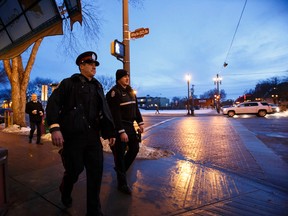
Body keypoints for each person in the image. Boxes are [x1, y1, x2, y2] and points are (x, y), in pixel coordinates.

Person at [46, 51, 116, 216]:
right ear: (81, 65)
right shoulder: (69, 83)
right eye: (90, 64)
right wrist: (55, 128)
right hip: (73, 137)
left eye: (95, 65)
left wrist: (109, 130)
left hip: (92, 137)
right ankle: (66, 188)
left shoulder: (97, 86)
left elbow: (104, 110)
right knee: (74, 170)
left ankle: (94, 210)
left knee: (95, 172)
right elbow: (53, 104)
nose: (94, 67)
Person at [106, 69, 144, 195]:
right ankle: (122, 183)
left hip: (130, 127)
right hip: (119, 127)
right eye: (124, 77)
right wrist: (121, 131)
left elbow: (136, 109)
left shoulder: (130, 92)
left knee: (134, 149)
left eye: (127, 76)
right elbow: (114, 114)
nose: (127, 78)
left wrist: (140, 122)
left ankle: (120, 170)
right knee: (119, 155)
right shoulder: (114, 93)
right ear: (118, 79)